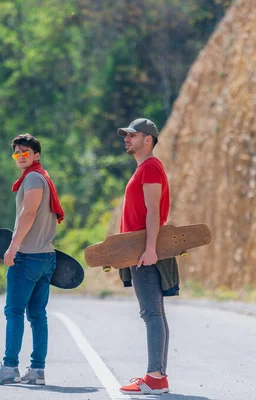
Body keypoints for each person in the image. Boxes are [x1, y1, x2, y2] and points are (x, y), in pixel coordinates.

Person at [0, 133, 64, 386]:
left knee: (14, 312)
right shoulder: (42, 177)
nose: (20, 157)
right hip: (46, 256)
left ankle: (9, 367)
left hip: (28, 256)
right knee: (38, 315)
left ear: (36, 155)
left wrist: (13, 247)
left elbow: (28, 214)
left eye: (25, 152)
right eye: (16, 153)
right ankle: (37, 371)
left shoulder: (34, 179)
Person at [116, 118, 179, 395]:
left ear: (148, 140)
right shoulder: (143, 168)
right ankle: (158, 377)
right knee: (155, 313)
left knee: (151, 313)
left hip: (145, 250)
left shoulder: (151, 166)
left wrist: (150, 249)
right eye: (126, 135)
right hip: (139, 250)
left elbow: (154, 211)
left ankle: (154, 378)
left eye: (133, 135)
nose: (127, 139)